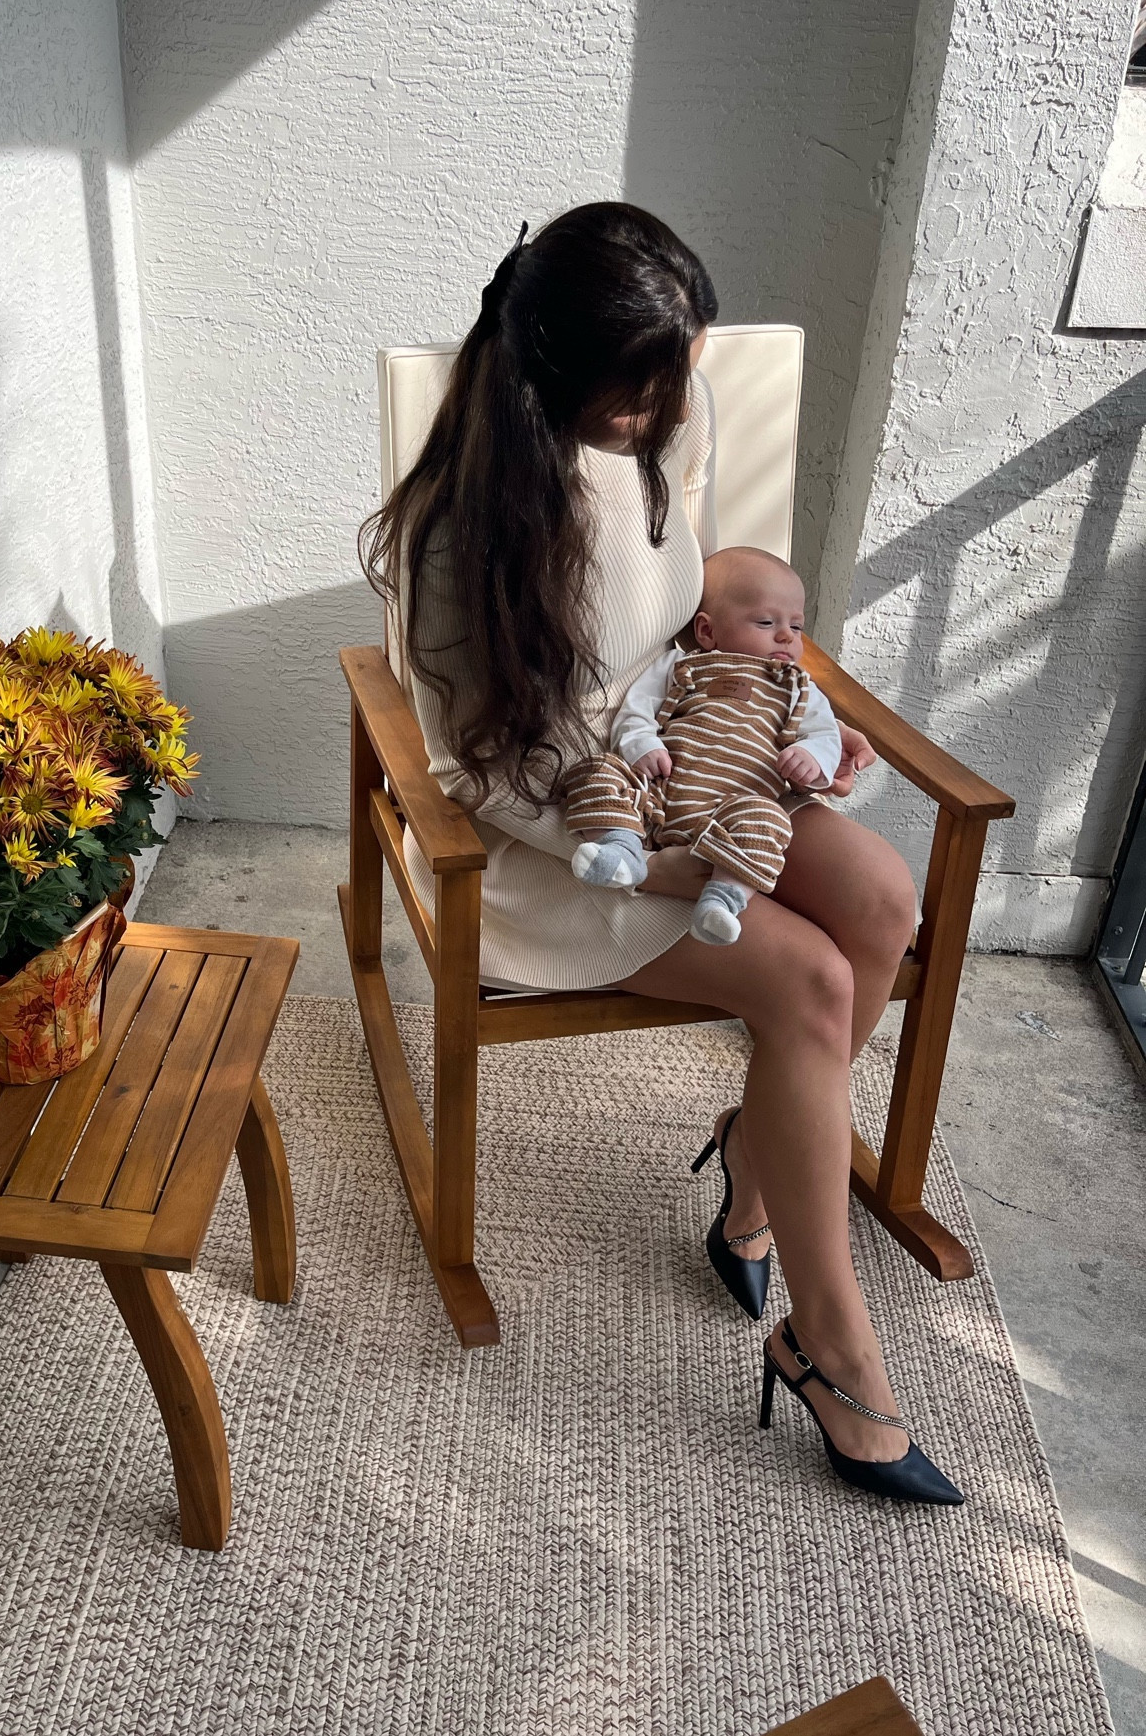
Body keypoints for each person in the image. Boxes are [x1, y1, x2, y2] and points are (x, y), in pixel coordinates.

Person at [360, 202, 961, 1505]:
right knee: (808, 985)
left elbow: (692, 596)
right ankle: (830, 1339)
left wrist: (788, 704)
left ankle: (754, 1170)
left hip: (692, 756)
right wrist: (670, 850)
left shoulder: (642, 439)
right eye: (652, 381)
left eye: (683, 363)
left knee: (880, 898)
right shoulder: (474, 532)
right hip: (563, 849)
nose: (681, 399)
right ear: (562, 385)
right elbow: (490, 773)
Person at [563, 547, 842, 947]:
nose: (786, 635)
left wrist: (812, 758)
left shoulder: (797, 688)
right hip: (660, 789)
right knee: (595, 770)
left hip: (734, 808)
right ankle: (621, 847)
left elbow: (826, 735)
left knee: (771, 821)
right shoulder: (681, 665)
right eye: (766, 621)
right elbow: (636, 710)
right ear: (707, 631)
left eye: (797, 626)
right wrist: (641, 744)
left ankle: (722, 899)